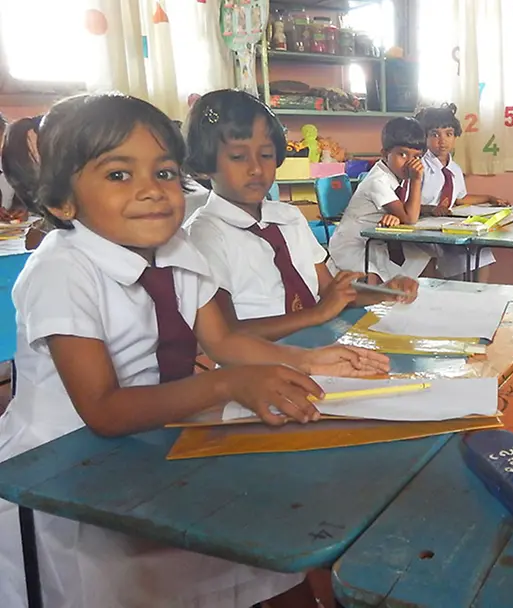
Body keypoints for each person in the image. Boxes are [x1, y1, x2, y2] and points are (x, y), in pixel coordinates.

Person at [0, 92, 390, 608]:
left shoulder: (177, 248)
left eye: (163, 173)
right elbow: (104, 409)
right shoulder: (62, 269)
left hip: (153, 440)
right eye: (119, 175)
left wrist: (310, 360)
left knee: (245, 551)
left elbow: (225, 340)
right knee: (122, 586)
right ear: (62, 202)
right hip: (65, 475)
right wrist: (227, 383)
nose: (151, 192)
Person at [184, 90, 417, 341]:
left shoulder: (289, 218)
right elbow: (225, 334)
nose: (255, 168)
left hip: (321, 346)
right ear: (204, 164)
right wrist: (318, 314)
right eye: (238, 157)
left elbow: (329, 290)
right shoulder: (204, 234)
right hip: (259, 366)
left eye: (265, 155)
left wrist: (382, 292)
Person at [328, 116, 432, 282]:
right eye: (403, 154)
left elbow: (403, 212)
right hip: (351, 246)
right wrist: (416, 180)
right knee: (375, 280)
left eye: (416, 157)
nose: (410, 163)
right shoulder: (378, 181)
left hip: (374, 242)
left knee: (424, 259)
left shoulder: (393, 175)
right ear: (385, 154)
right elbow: (410, 218)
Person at [414, 104, 508, 281]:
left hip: (445, 226)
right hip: (422, 226)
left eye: (448, 134)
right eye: (435, 135)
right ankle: (450, 292)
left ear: (455, 137)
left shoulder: (454, 168)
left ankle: (480, 293)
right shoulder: (419, 167)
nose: (442, 141)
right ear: (424, 137)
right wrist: (430, 209)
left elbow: (460, 199)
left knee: (482, 249)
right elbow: (408, 203)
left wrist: (489, 198)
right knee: (439, 255)